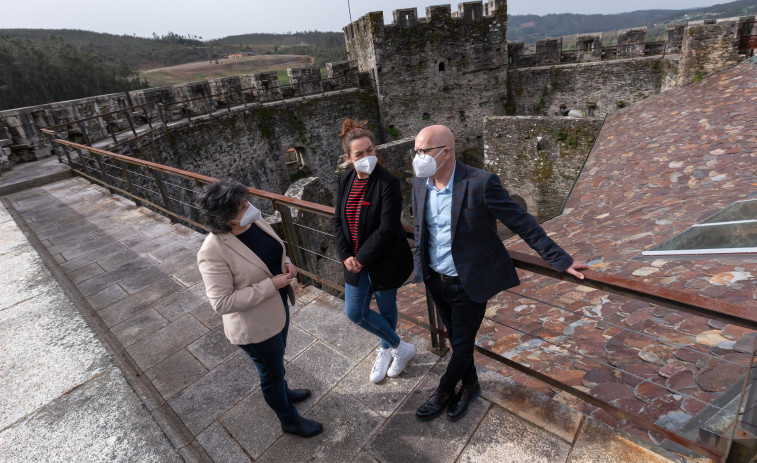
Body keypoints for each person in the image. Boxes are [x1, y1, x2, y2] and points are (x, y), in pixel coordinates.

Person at [410, 125, 588, 422]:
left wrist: (561, 259)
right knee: (456, 341)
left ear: (446, 152)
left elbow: (522, 223)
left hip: (470, 284)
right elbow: (421, 231)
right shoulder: (419, 185)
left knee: (463, 345)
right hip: (435, 280)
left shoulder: (481, 183)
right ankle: (471, 386)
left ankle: (442, 391)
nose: (418, 157)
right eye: (415, 151)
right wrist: (421, 270)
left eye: (423, 151)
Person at [197, 178, 322, 438]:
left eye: (246, 201)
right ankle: (289, 421)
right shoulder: (213, 251)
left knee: (277, 362)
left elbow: (272, 251)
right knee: (271, 374)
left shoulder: (252, 221)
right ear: (225, 218)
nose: (249, 208)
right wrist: (271, 284)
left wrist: (286, 263)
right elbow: (222, 303)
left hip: (277, 308)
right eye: (242, 207)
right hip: (254, 326)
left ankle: (284, 392)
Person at [333, 118, 416, 384]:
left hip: (385, 260)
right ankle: (399, 347)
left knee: (386, 307)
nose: (367, 156)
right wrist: (346, 256)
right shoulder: (345, 179)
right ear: (349, 158)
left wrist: (361, 259)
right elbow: (338, 220)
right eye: (360, 153)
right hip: (354, 261)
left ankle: (385, 349)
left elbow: (388, 227)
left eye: (370, 150)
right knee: (355, 312)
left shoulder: (387, 182)